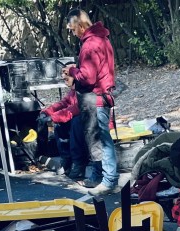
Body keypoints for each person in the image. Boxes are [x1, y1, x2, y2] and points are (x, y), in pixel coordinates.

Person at [62, 9, 119, 196]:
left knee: (102, 140)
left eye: (72, 29)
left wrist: (72, 71)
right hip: (99, 97)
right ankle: (97, 176)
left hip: (96, 98)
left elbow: (87, 77)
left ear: (80, 25)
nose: (73, 33)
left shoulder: (90, 45)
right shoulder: (101, 39)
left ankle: (109, 180)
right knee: (95, 139)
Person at [37, 73, 89, 182]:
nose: (62, 76)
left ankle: (79, 163)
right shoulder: (73, 91)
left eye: (66, 73)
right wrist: (46, 112)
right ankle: (66, 159)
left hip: (90, 121)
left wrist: (53, 117)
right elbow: (63, 103)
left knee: (75, 123)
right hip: (80, 119)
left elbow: (76, 108)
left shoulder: (84, 89)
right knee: (59, 125)